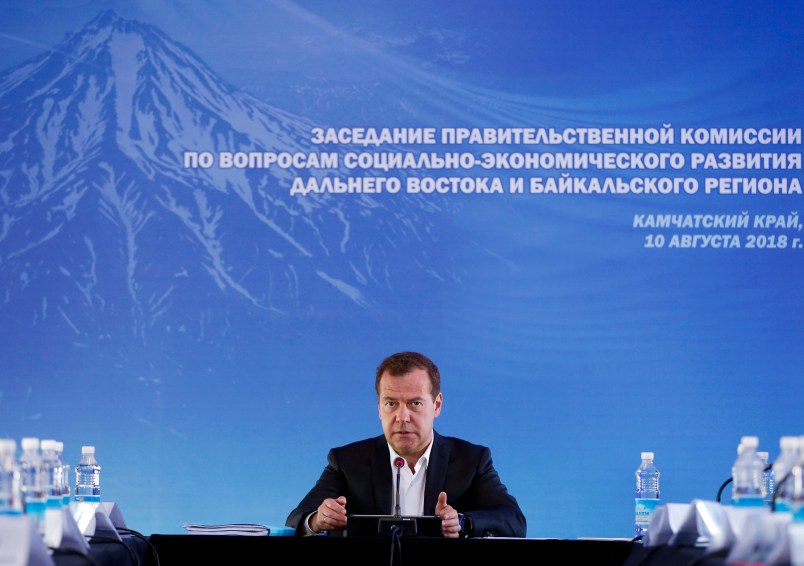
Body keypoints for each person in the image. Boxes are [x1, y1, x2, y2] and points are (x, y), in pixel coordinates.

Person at [286, 351, 527, 538]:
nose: (402, 417)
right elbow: (297, 519)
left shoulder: (472, 460)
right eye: (391, 403)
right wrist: (318, 519)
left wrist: (463, 523)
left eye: (415, 404)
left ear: (437, 405)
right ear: (379, 407)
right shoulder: (347, 461)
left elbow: (513, 520)